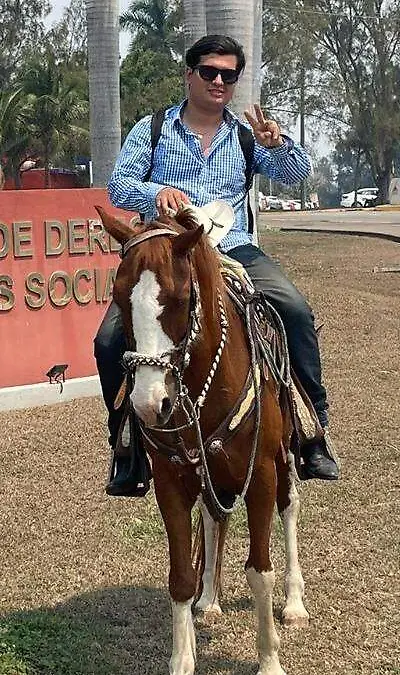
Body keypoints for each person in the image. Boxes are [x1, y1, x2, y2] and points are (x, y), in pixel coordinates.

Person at [97, 33, 340, 497]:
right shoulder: (152, 130)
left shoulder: (247, 137)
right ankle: (125, 447)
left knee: (295, 310)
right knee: (109, 339)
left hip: (234, 249)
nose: (219, 82)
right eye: (209, 72)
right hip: (170, 254)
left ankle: (313, 431)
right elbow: (119, 186)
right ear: (189, 74)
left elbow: (295, 176)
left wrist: (281, 144)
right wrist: (156, 194)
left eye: (229, 75)